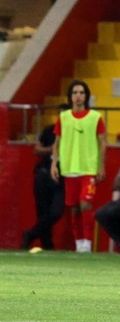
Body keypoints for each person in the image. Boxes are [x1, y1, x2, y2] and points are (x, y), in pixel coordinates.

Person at [50, 80, 106, 253]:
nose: (78, 96)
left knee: (85, 204)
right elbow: (56, 144)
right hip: (69, 168)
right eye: (75, 93)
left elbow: (102, 143)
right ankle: (79, 243)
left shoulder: (95, 117)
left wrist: (101, 166)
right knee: (74, 207)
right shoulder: (63, 117)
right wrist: (54, 164)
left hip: (88, 168)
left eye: (82, 93)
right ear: (70, 96)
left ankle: (87, 244)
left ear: (86, 96)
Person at [22, 104, 68, 251]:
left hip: (61, 176)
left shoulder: (74, 133)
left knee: (56, 211)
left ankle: (31, 233)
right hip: (43, 174)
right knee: (42, 212)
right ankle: (47, 245)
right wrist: (53, 149)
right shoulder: (49, 130)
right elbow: (37, 149)